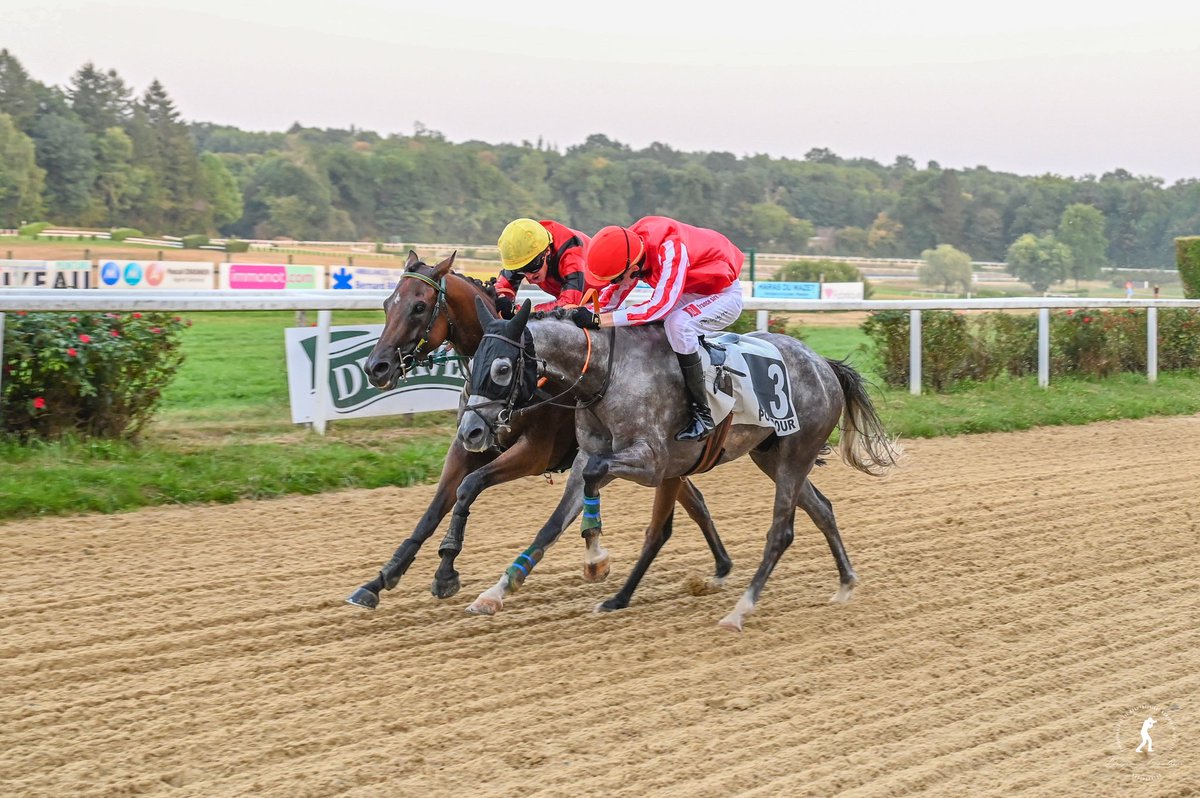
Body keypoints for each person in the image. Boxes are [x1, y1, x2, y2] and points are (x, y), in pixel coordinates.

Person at [576, 216, 744, 442]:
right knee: (649, 325)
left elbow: (657, 308)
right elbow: (612, 298)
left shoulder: (669, 250)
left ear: (634, 269)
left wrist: (599, 320)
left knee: (678, 325)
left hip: (721, 294)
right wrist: (579, 313)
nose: (614, 282)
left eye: (617, 278)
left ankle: (703, 414)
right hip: (691, 288)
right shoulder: (631, 245)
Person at [494, 218, 590, 317]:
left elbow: (569, 305)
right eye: (520, 271)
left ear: (547, 250)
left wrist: (521, 311)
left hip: (600, 300)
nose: (529, 277)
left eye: (532, 266)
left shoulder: (570, 253)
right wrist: (502, 300)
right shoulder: (526, 246)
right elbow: (499, 291)